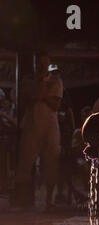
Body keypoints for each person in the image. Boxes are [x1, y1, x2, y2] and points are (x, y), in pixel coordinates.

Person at [10, 67, 64, 210]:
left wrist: (43, 95)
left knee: (52, 162)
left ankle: (49, 201)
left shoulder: (56, 80)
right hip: (32, 125)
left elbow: (55, 104)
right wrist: (42, 91)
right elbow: (27, 99)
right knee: (25, 162)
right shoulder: (28, 81)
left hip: (50, 126)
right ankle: (22, 198)